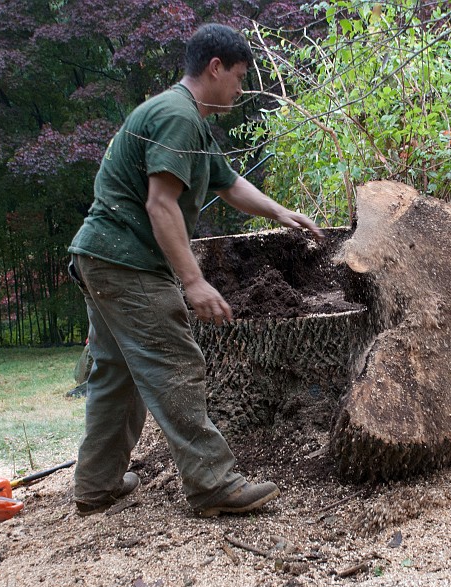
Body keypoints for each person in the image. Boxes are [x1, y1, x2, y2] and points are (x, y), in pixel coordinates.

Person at [67, 23, 321, 518]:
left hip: (100, 258)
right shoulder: (177, 116)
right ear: (215, 68)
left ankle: (97, 485)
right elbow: (160, 204)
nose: (241, 90)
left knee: (116, 376)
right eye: (240, 78)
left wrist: (280, 213)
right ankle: (212, 484)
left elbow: (229, 184)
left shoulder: (192, 123)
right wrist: (193, 281)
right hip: (127, 262)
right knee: (176, 365)